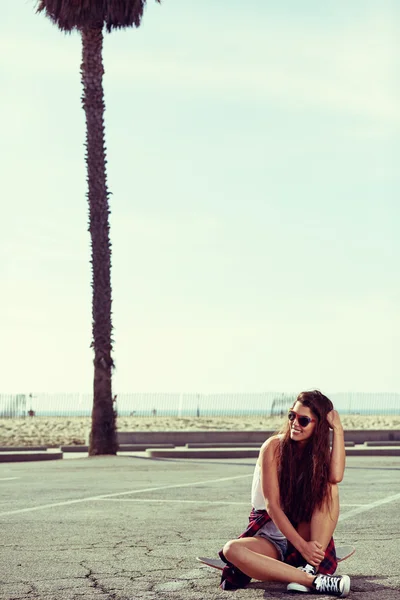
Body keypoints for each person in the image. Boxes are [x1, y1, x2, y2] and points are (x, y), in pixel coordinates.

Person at [219, 390, 350, 597]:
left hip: (304, 530)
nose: (295, 423)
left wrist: (339, 430)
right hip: (271, 535)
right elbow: (272, 506)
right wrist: (303, 547)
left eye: (304, 420)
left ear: (319, 426)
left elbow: (336, 476)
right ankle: (312, 579)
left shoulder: (316, 455)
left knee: (330, 486)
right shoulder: (273, 447)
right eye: (292, 416)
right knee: (231, 550)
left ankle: (309, 566)